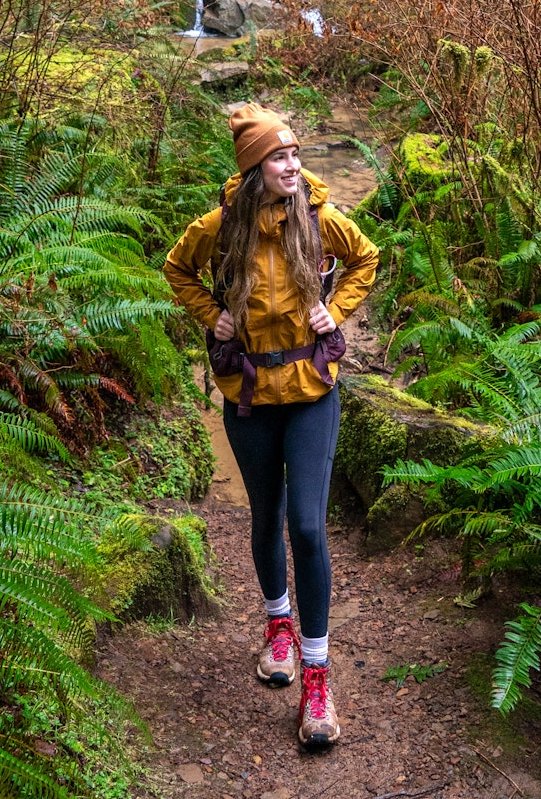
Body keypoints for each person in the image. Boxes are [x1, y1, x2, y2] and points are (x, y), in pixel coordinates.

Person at [164, 102, 379, 749]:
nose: (293, 164)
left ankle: (317, 675)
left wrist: (334, 313)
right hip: (250, 393)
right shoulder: (220, 228)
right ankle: (278, 627)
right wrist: (212, 316)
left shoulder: (320, 218)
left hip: (312, 389)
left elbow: (366, 258)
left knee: (308, 527)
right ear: (255, 169)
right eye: (279, 157)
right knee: (266, 516)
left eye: (294, 154)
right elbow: (176, 270)